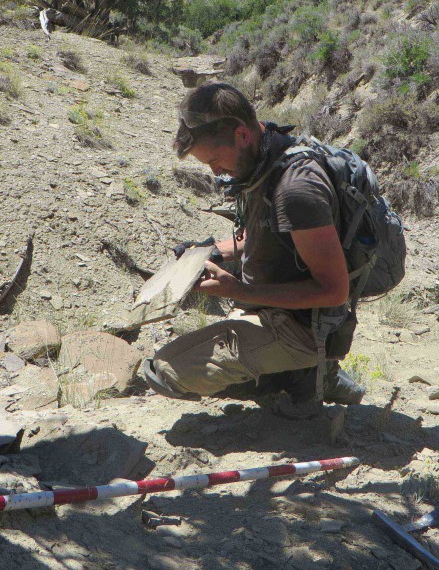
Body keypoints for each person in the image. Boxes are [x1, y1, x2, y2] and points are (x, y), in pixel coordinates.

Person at [140, 82, 364, 415]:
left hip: (304, 329)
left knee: (167, 372)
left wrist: (239, 289)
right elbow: (262, 238)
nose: (215, 171)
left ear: (242, 135)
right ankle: (310, 372)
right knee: (170, 363)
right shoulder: (262, 161)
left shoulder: (296, 189)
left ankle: (304, 376)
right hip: (273, 309)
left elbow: (333, 290)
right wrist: (209, 251)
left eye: (215, 160)